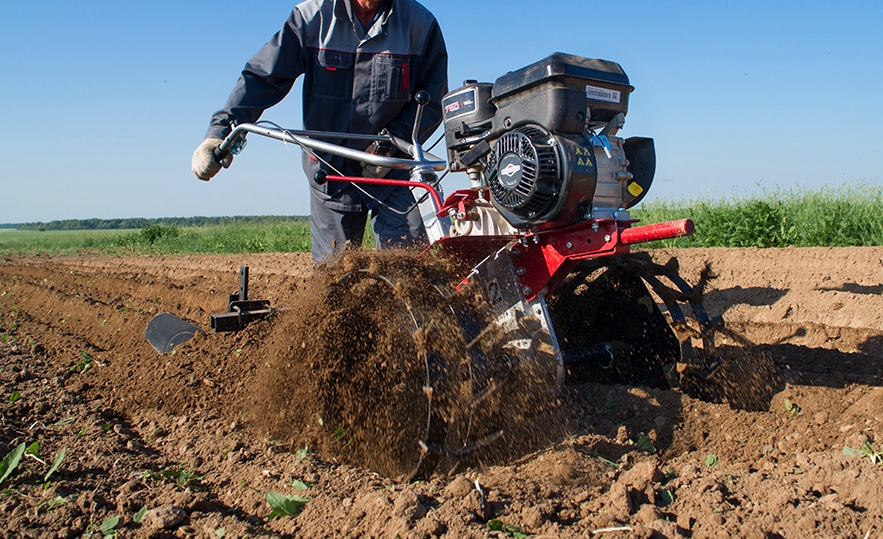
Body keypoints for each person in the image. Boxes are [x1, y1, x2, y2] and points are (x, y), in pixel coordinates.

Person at [191, 0, 448, 263]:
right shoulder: (311, 17)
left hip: (392, 169)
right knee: (335, 274)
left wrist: (391, 143)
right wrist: (220, 129)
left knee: (408, 266)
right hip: (331, 169)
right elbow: (263, 78)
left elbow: (433, 99)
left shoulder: (420, 24)